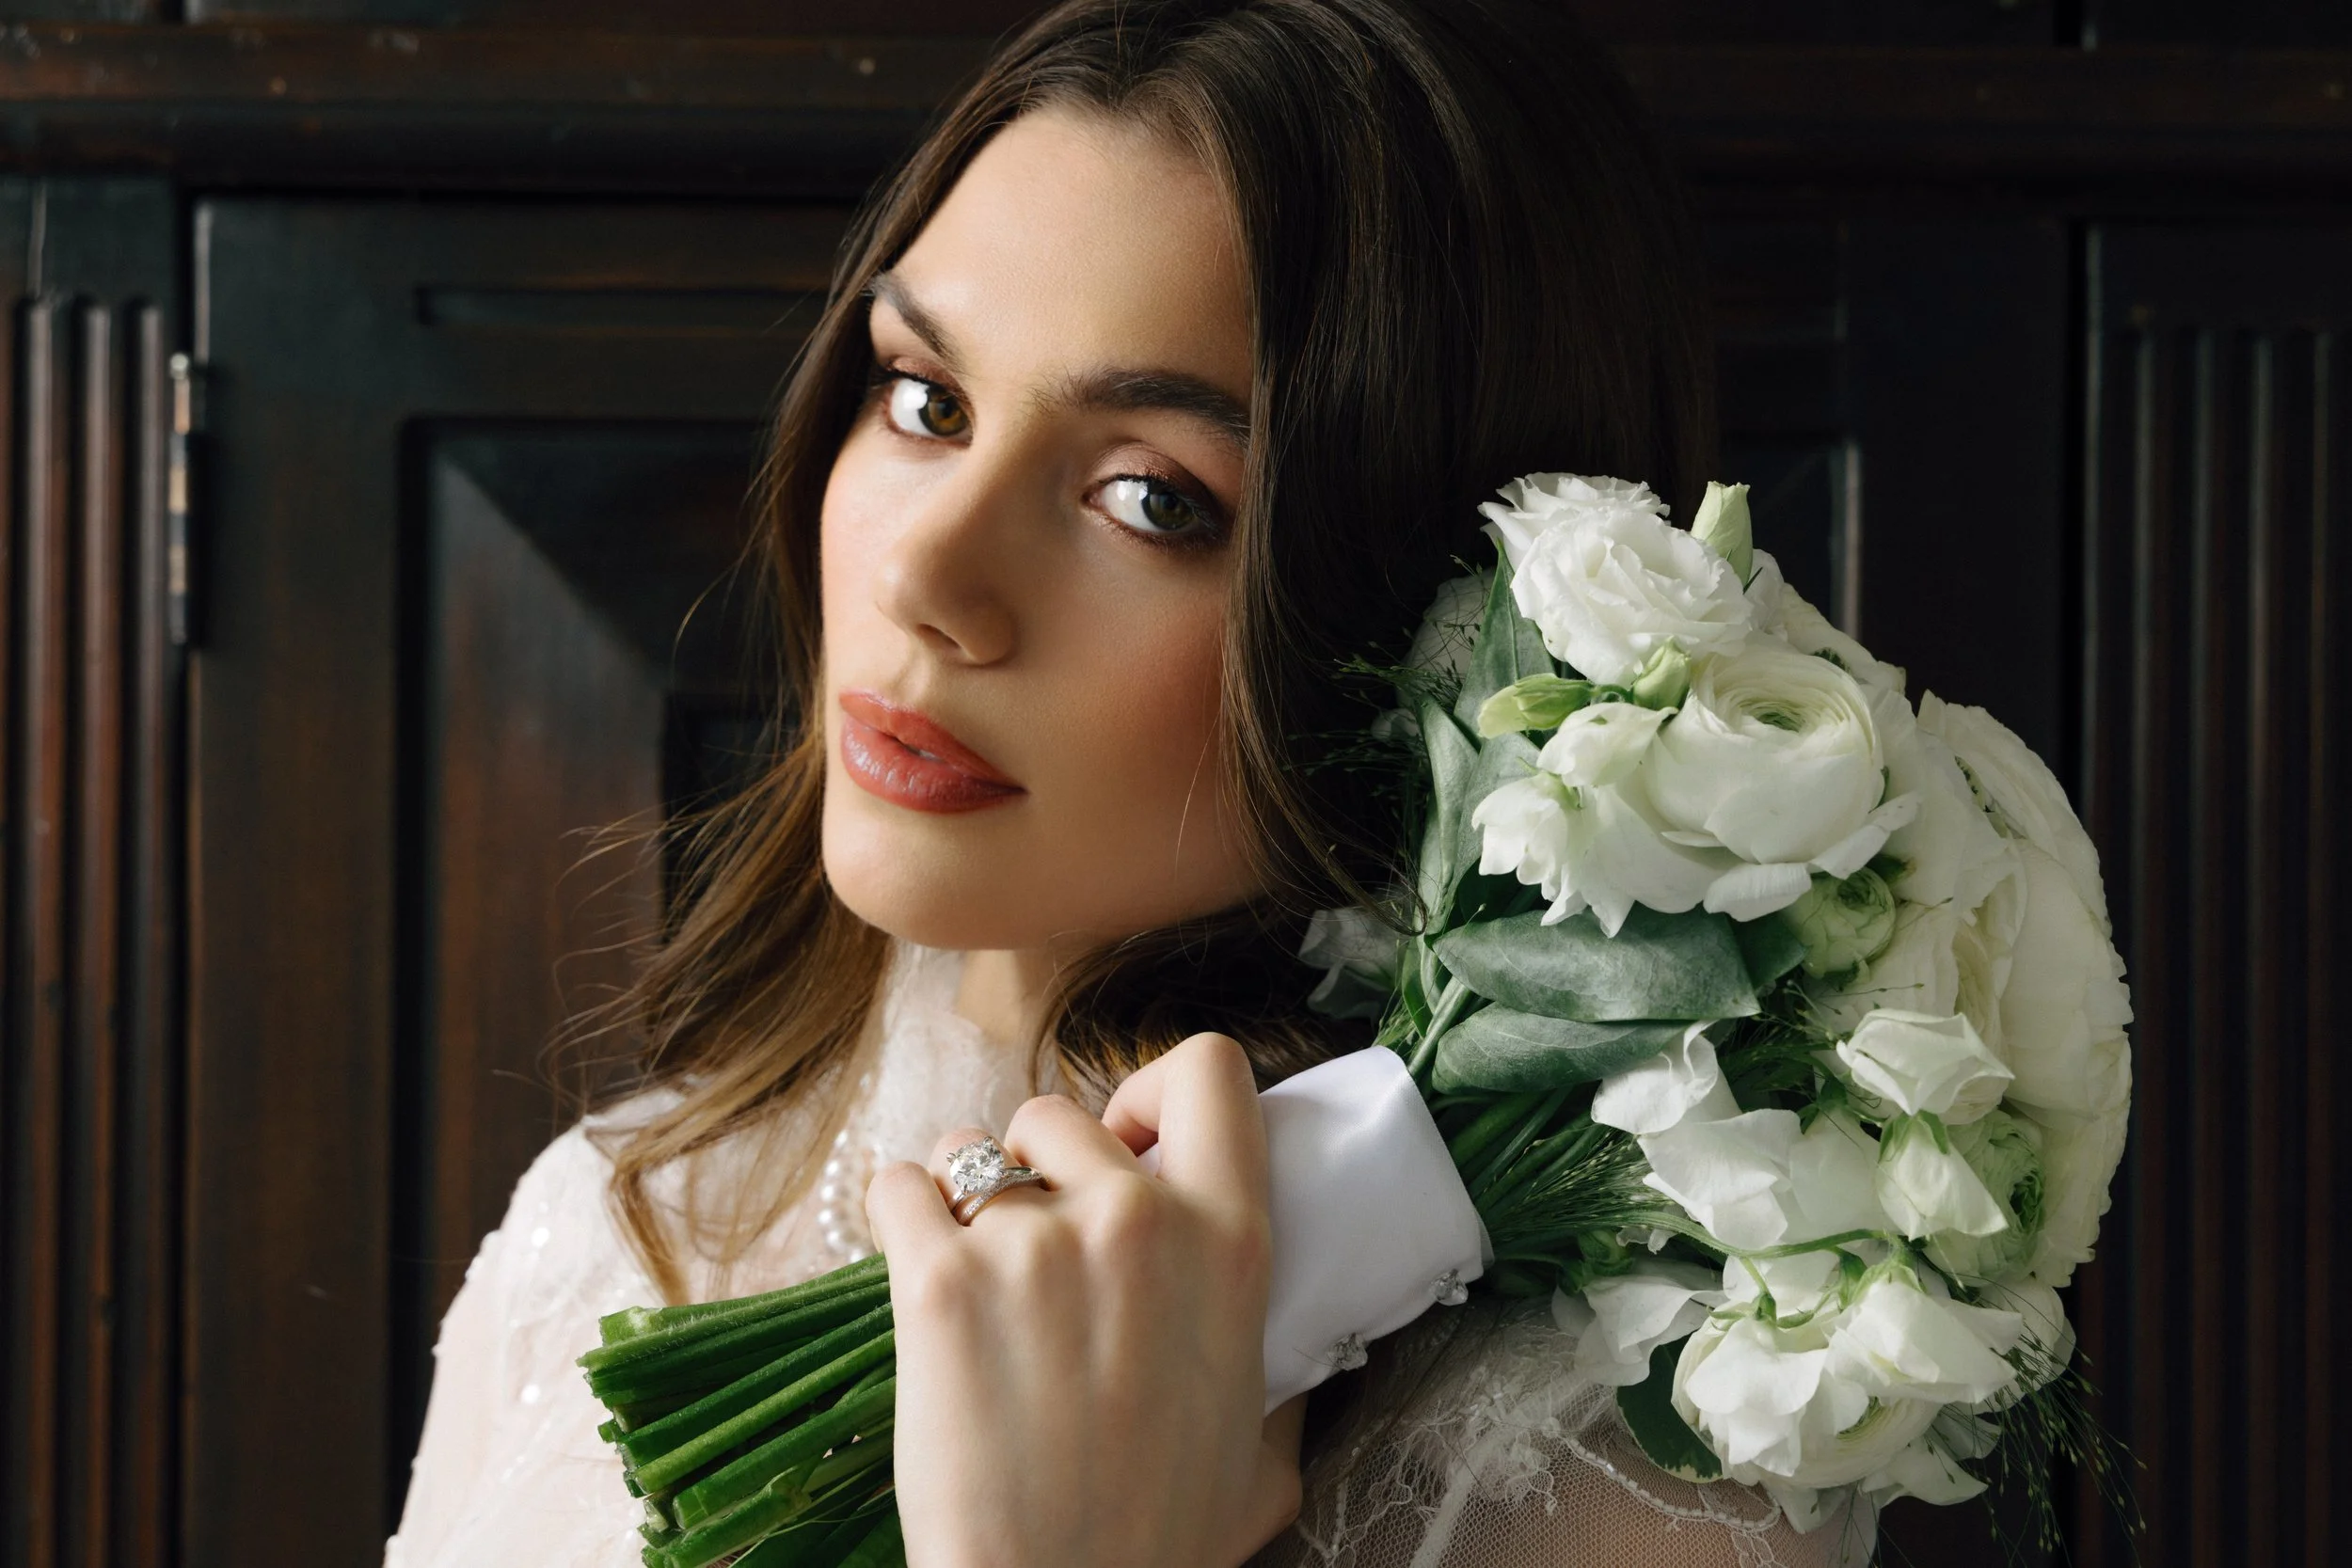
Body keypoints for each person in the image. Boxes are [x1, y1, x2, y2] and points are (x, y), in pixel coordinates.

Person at [386, 3, 1873, 1564]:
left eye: (1150, 494)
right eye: (924, 401)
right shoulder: (621, 1223)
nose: (927, 572)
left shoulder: (1620, 1468)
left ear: (1452, 624)